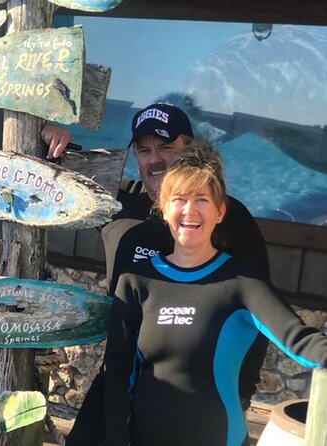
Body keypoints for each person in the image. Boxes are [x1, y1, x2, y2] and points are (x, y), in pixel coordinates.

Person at [42, 104, 270, 445]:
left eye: (166, 147)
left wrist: (241, 395)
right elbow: (38, 175)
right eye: (144, 150)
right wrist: (47, 134)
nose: (155, 159)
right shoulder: (114, 204)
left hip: (195, 395)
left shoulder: (225, 216)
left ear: (191, 151)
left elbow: (260, 315)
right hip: (117, 386)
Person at [104, 142, 327, 446]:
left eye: (202, 199)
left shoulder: (242, 282)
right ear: (165, 209)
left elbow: (301, 340)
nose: (190, 210)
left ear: (220, 210)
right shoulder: (136, 280)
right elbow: (117, 371)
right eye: (179, 199)